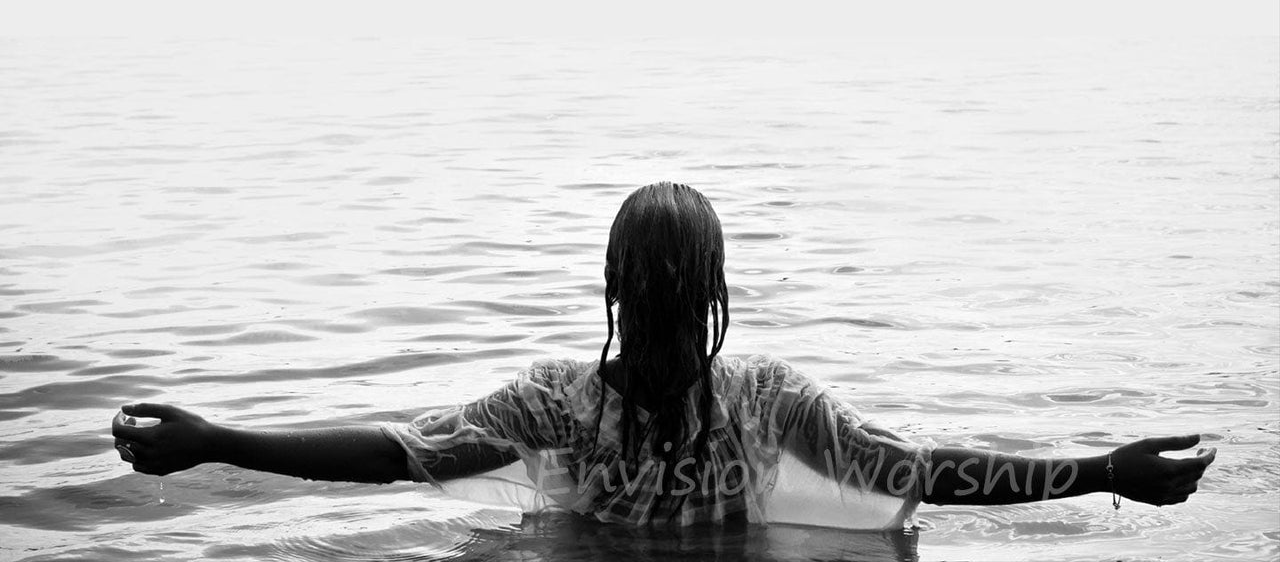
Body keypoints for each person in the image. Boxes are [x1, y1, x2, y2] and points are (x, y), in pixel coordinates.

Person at [111, 182, 1215, 528]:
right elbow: (922, 473)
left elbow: (397, 455)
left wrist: (223, 437)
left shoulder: (545, 402)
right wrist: (1099, 472)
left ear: (606, 286)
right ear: (721, 292)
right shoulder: (772, 400)